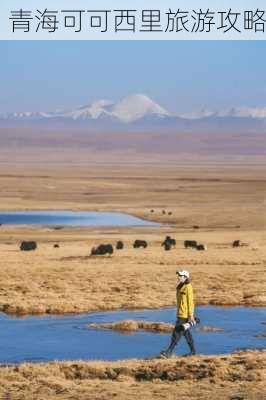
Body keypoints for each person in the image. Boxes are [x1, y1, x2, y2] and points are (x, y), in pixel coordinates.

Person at [160, 270, 196, 358]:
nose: (178, 277)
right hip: (180, 313)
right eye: (178, 275)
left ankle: (169, 352)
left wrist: (191, 316)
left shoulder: (188, 287)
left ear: (185, 277)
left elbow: (190, 302)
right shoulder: (180, 286)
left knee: (176, 332)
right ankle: (193, 351)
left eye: (180, 275)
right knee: (186, 333)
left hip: (184, 315)